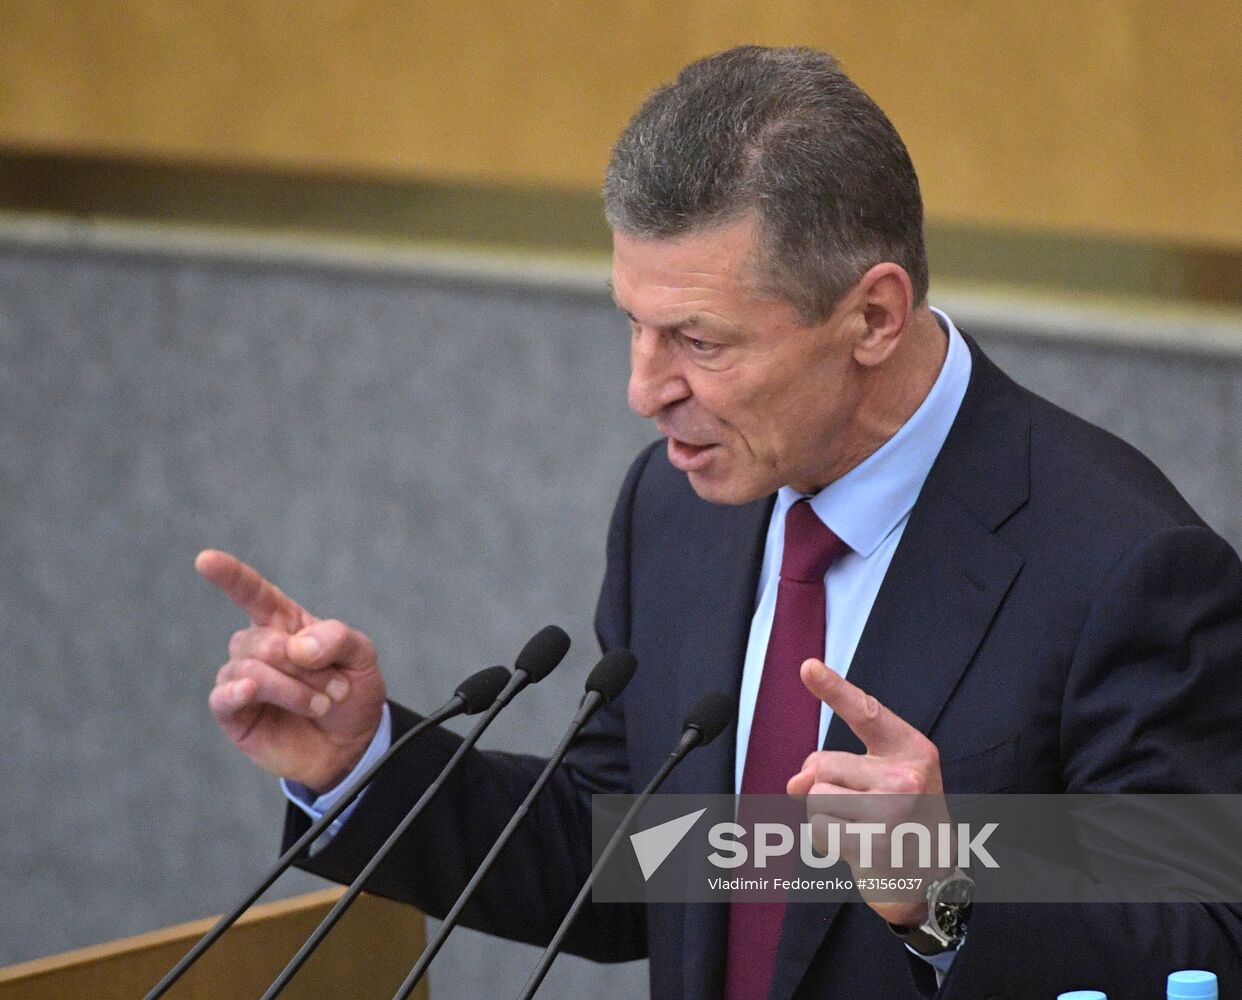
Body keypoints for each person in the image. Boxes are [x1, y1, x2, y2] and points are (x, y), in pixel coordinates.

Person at [198, 46, 1242, 998]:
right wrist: (364, 761)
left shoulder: (1124, 567)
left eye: (699, 341)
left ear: (872, 317)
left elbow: (1204, 948)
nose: (645, 391)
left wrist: (949, 883)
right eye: (635, 327)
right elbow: (639, 854)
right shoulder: (679, 508)